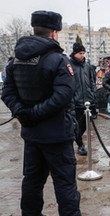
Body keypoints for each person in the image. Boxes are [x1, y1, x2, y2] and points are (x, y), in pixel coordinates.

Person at [1, 10, 81, 215]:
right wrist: (33, 113)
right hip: (56, 136)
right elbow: (63, 95)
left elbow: (7, 91)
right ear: (54, 32)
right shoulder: (58, 59)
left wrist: (22, 112)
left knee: (32, 183)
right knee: (65, 186)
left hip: (32, 134)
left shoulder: (16, 59)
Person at [70, 41, 97, 156]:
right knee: (76, 125)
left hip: (88, 101)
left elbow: (92, 81)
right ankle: (80, 145)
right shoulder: (69, 65)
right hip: (76, 102)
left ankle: (76, 139)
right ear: (74, 53)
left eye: (83, 53)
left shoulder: (87, 66)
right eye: (80, 53)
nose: (82, 55)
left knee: (85, 125)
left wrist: (92, 94)